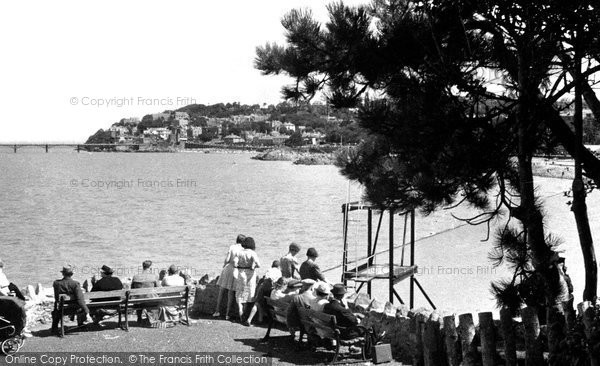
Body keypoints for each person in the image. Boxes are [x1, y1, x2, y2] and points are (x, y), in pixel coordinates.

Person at [51, 265, 93, 334]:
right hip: (75, 308)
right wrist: (86, 310)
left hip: (62, 309)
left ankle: (54, 328)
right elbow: (80, 299)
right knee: (82, 306)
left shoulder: (56, 283)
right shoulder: (75, 284)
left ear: (63, 273)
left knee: (56, 311)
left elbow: (56, 298)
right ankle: (80, 323)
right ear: (72, 274)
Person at [213, 234, 245, 320]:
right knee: (231, 293)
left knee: (222, 290)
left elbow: (227, 260)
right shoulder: (243, 250)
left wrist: (224, 266)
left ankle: (217, 311)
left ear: (236, 240)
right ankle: (227, 314)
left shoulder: (232, 247)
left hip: (228, 268)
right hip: (236, 270)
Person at [245, 260, 282, 326]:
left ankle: (256, 319)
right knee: (265, 304)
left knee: (258, 303)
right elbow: (277, 282)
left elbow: (265, 277)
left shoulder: (269, 269)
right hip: (270, 288)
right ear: (279, 266)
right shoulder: (279, 272)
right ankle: (255, 319)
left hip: (262, 286)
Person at [233, 237, 261, 322]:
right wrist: (253, 266)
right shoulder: (252, 253)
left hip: (241, 272)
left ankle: (240, 310)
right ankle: (246, 313)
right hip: (250, 274)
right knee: (250, 293)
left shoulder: (239, 252)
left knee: (240, 292)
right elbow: (258, 264)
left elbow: (235, 263)